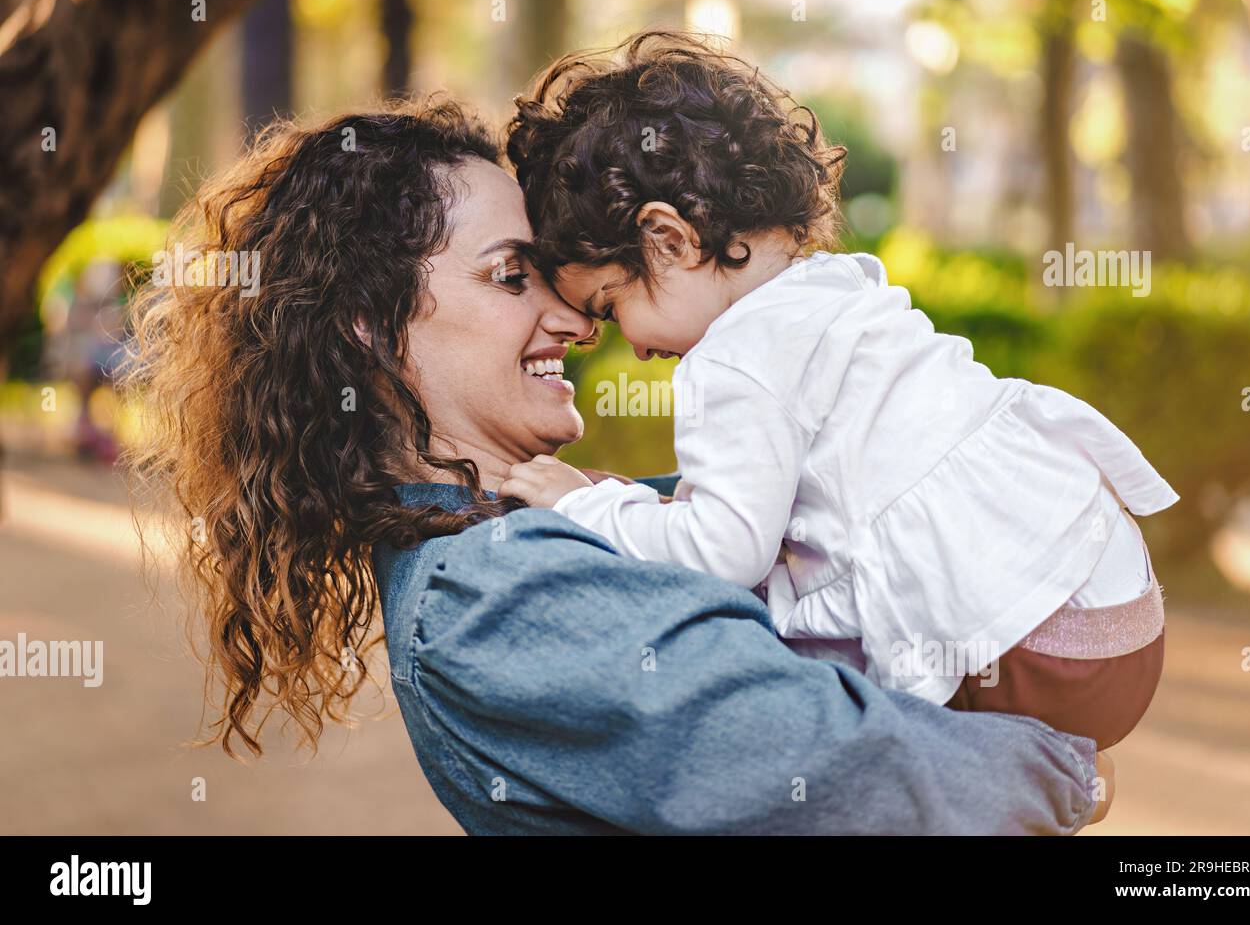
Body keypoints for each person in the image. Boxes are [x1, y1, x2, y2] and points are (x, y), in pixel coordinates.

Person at [122, 95, 1107, 835]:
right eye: (513, 276)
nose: (574, 320)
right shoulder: (488, 598)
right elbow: (843, 764)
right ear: (371, 326)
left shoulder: (520, 534)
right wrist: (1061, 766)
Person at [501, 32, 1175, 751]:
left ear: (668, 239)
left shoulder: (732, 361)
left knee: (799, 733)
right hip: (1111, 607)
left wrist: (584, 505)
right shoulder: (836, 286)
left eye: (609, 305)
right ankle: (1050, 772)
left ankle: (1021, 776)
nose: (632, 346)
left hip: (1029, 651)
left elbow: (722, 555)